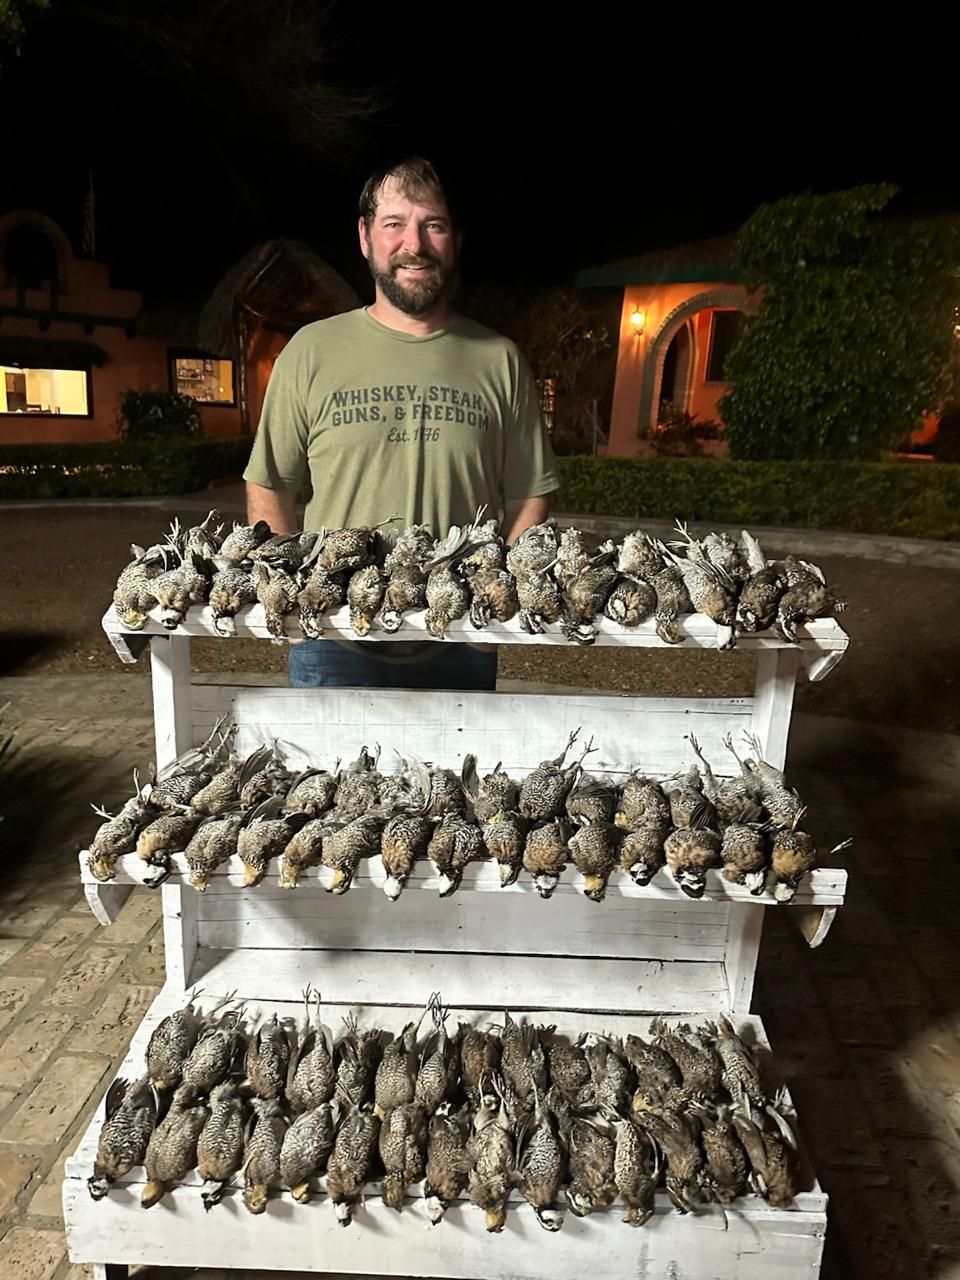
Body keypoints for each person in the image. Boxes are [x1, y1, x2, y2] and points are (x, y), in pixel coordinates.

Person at [242, 156, 558, 689]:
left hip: (460, 635)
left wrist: (492, 593)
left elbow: (531, 495)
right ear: (365, 238)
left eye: (432, 225)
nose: (414, 243)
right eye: (394, 224)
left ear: (454, 239)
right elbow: (269, 482)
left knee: (456, 777)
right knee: (326, 776)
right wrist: (294, 595)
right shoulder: (311, 352)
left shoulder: (498, 359)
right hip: (334, 639)